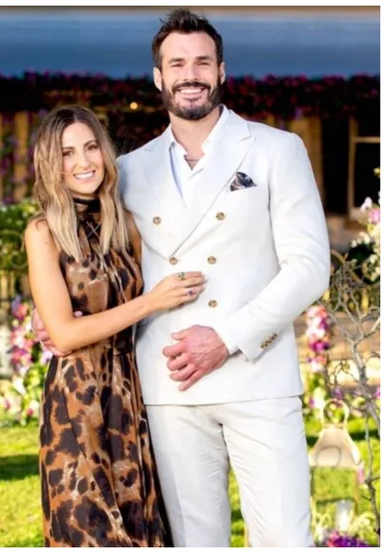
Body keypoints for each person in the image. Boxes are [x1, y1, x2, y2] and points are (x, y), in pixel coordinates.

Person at [33, 8, 330, 547]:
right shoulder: (131, 170)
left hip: (258, 379)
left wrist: (227, 338)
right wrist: (51, 310)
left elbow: (311, 268)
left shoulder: (276, 150)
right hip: (168, 390)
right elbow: (89, 253)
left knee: (286, 539)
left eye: (201, 62)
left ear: (221, 71)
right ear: (158, 78)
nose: (189, 74)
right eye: (176, 64)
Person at [24, 105, 206, 546]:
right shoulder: (43, 232)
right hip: (76, 400)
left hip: (130, 392)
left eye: (90, 148)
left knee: (141, 526)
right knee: (88, 529)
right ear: (51, 164)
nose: (83, 162)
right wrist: (149, 301)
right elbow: (65, 334)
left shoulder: (127, 224)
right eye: (67, 153)